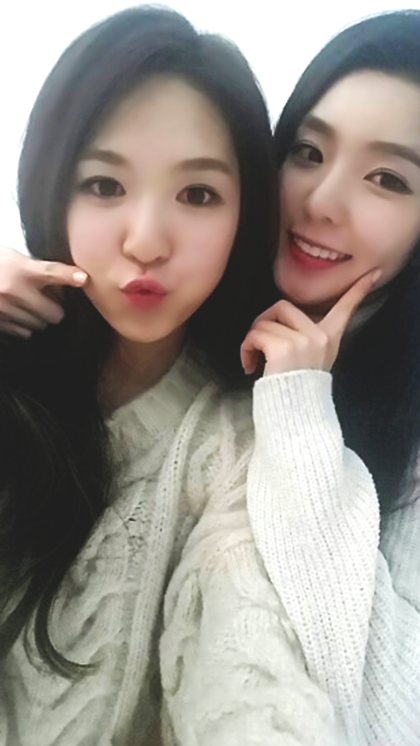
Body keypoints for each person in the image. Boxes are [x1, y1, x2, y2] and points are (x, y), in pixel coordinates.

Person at [0, 6, 336, 746]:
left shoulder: (236, 445)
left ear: (247, 215)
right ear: (51, 187)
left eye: (197, 195)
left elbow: (249, 665)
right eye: (103, 185)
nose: (147, 241)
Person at [240, 10, 420, 746]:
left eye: (387, 178)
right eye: (309, 151)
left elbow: (386, 718)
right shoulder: (194, 321)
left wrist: (299, 415)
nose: (320, 201)